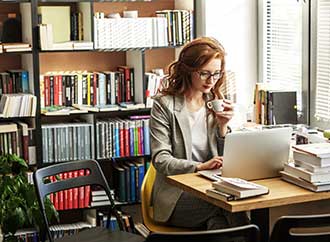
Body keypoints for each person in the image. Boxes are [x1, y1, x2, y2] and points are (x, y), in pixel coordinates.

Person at [149, 36, 249, 230]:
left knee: (220, 224)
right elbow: (161, 159)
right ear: (188, 70)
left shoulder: (215, 101)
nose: (211, 81)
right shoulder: (164, 105)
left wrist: (223, 127)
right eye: (204, 74)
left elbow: (227, 157)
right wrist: (200, 166)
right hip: (177, 194)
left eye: (217, 74)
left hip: (211, 186)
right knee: (230, 207)